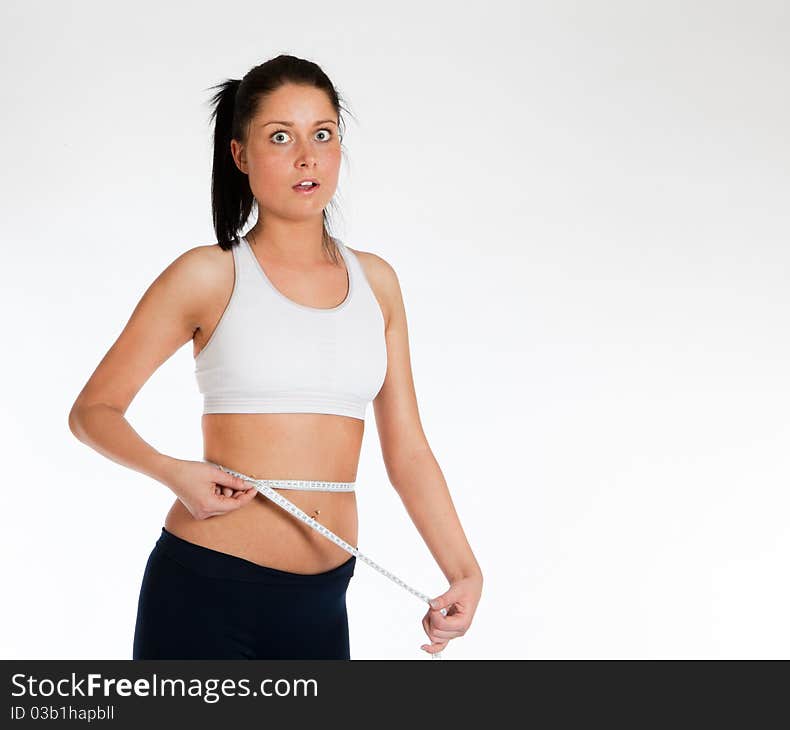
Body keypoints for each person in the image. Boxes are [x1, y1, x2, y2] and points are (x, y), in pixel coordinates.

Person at [67, 54, 483, 660]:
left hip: (323, 602)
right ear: (240, 155)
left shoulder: (378, 284)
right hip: (206, 590)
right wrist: (173, 473)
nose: (307, 156)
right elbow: (93, 411)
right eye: (280, 137)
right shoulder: (208, 275)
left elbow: (408, 449)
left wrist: (463, 570)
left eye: (323, 134)